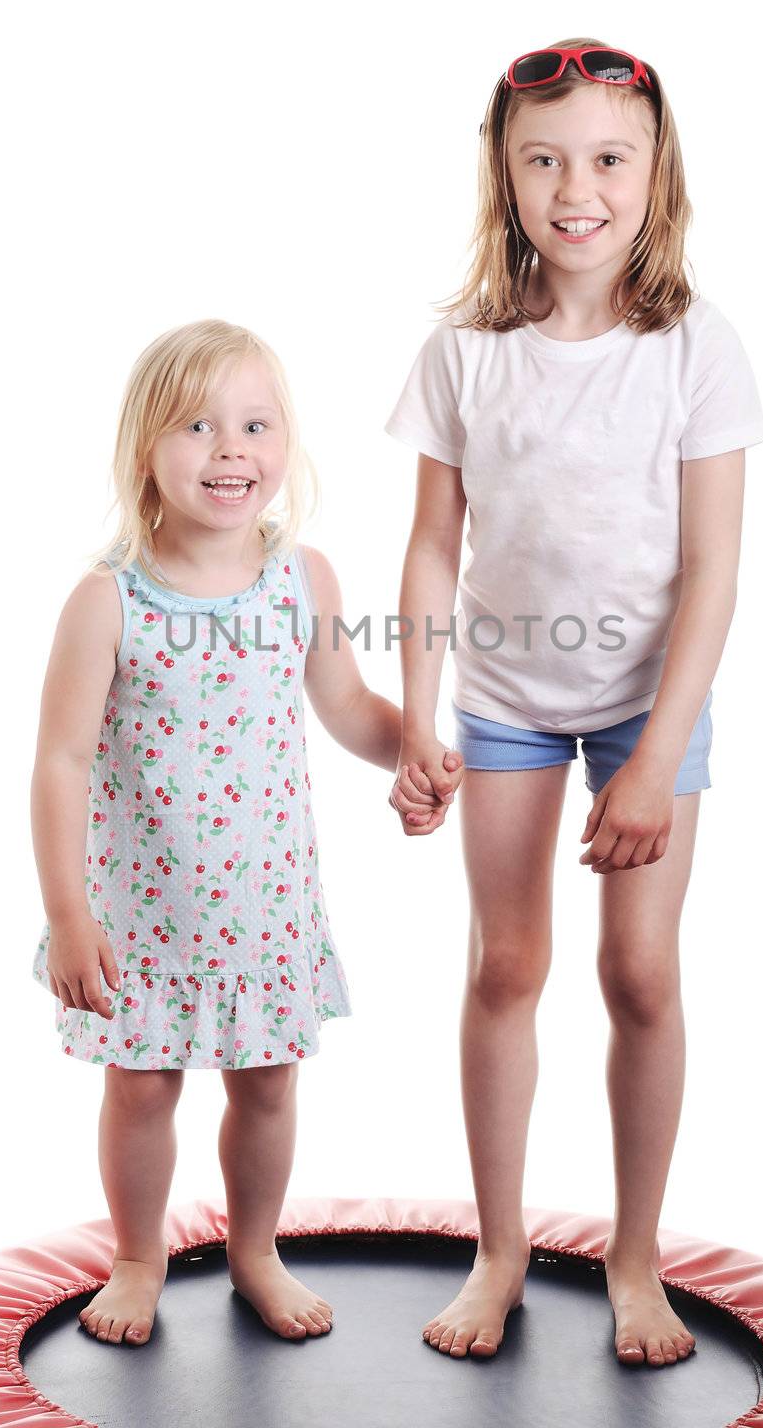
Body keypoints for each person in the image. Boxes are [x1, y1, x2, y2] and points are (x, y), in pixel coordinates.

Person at [383, 39, 763, 1367]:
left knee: (638, 973)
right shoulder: (464, 349)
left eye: (606, 158)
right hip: (499, 693)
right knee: (504, 966)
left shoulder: (692, 348)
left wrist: (654, 757)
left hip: (643, 703)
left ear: (652, 171)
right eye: (542, 159)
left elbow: (713, 567)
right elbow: (433, 545)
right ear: (501, 172)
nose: (575, 189)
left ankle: (634, 1257)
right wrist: (417, 716)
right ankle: (498, 1254)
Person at [30, 318, 460, 1347]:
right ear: (146, 451)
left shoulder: (298, 578)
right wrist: (68, 914)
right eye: (197, 426)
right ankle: (138, 1255)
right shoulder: (108, 600)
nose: (231, 450)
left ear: (284, 446)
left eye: (255, 426)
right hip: (144, 911)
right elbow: (61, 762)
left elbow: (347, 702)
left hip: (263, 906)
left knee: (268, 1085)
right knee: (140, 1087)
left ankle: (253, 1247)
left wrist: (411, 744)